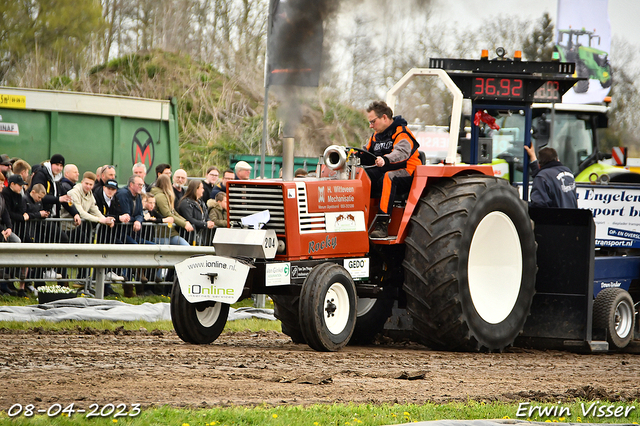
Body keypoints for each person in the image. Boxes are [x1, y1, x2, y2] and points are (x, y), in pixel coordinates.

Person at [364, 101, 421, 238]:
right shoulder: (375, 137)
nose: (371, 126)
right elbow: (365, 154)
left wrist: (386, 159)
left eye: (373, 122)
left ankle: (382, 225)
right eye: (370, 123)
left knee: (389, 177)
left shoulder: (402, 132)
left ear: (384, 117)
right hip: (385, 169)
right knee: (363, 175)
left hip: (408, 172)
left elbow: (402, 153)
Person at [177, 180, 214, 244]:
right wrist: (205, 224)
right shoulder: (185, 203)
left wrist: (208, 221)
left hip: (200, 237)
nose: (203, 190)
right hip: (188, 237)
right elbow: (189, 219)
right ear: (196, 189)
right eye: (202, 188)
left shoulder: (201, 202)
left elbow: (206, 216)